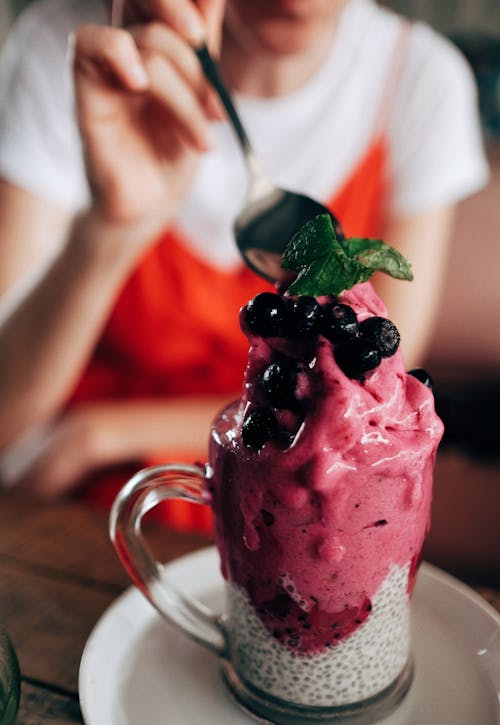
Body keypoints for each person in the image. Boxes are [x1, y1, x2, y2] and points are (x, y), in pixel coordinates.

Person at [0, 0, 489, 531]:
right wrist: (110, 230)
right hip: (77, 509)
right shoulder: (76, 48)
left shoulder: (422, 81)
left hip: (293, 509)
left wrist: (99, 434)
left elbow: (375, 397)